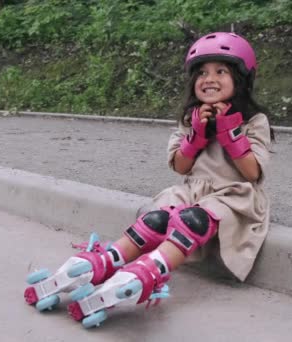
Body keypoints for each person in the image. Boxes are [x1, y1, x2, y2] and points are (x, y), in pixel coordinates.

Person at [24, 31, 273, 329]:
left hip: (234, 196)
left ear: (242, 79)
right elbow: (181, 167)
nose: (210, 79)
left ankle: (149, 271)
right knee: (155, 220)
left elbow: (252, 173)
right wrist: (195, 136)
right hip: (193, 191)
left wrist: (230, 134)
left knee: (193, 220)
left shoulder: (253, 121)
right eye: (202, 72)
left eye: (221, 71)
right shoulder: (190, 118)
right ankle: (107, 260)